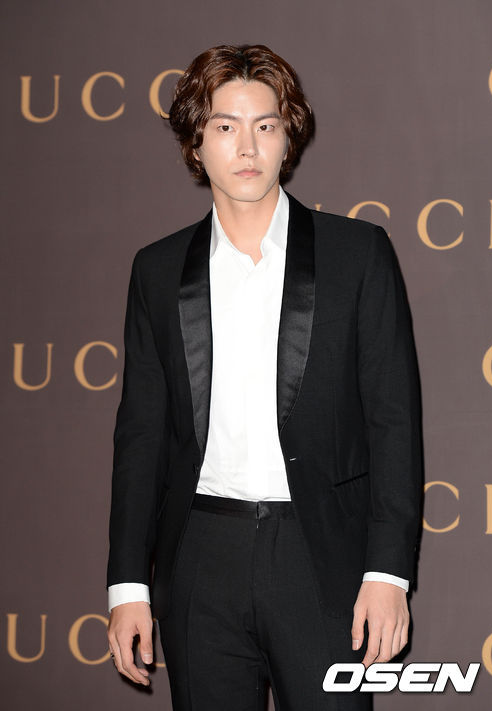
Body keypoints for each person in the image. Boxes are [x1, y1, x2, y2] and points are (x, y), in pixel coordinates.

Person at [106, 44, 423, 710]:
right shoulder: (157, 271)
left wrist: (389, 572)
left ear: (288, 137)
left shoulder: (357, 254)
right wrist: (128, 586)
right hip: (201, 555)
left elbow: (393, 422)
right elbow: (141, 436)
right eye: (225, 126)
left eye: (266, 125)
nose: (247, 146)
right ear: (196, 144)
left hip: (320, 557)